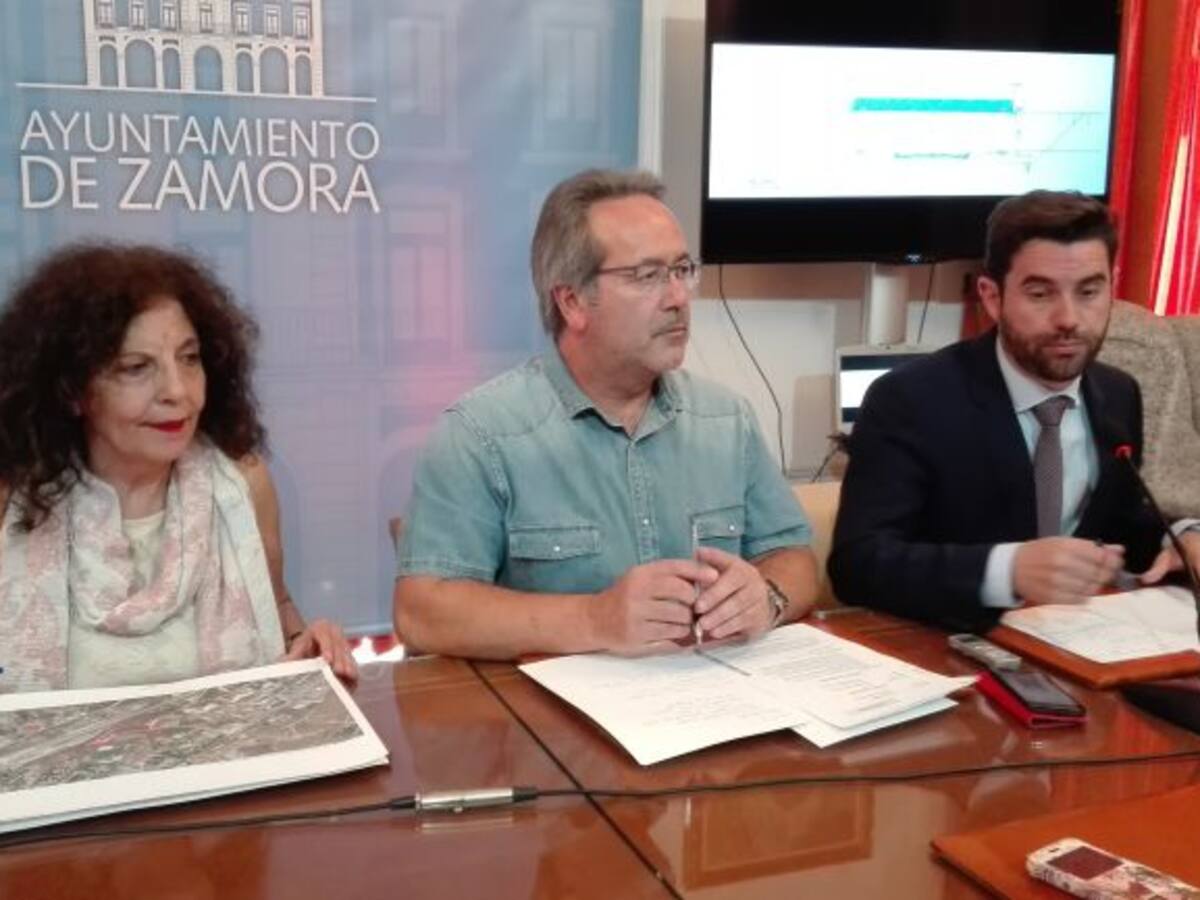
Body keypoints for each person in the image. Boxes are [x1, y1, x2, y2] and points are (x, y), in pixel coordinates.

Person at [394, 168, 818, 659]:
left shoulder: (726, 420)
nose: (678, 298)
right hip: (548, 705)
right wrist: (594, 619)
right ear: (572, 301)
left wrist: (766, 596)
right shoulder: (481, 433)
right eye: (648, 276)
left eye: (682, 270)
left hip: (710, 691)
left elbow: (794, 559)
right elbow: (422, 613)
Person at [829, 190, 1200, 631]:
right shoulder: (911, 398)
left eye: (1089, 292)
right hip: (949, 643)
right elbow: (858, 564)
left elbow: (1122, 526)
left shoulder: (1118, 393)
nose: (1069, 318)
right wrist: (1007, 570)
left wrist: (1179, 538)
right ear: (992, 296)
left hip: (1079, 641)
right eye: (1040, 294)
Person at [0, 243, 357, 692]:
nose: (178, 391)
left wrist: (309, 645)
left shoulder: (244, 484)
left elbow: (278, 610)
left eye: (189, 359)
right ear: (73, 390)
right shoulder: (12, 500)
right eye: (136, 367)